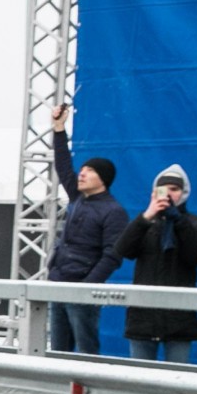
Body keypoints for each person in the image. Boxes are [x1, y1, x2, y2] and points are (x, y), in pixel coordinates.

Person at [46, 104, 130, 354]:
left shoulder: (113, 211)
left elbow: (113, 255)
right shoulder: (77, 197)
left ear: (103, 179)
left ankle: (87, 381)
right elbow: (63, 165)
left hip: (82, 288)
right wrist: (58, 129)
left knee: (86, 350)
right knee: (58, 351)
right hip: (59, 283)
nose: (81, 174)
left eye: (89, 171)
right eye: (81, 170)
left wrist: (87, 286)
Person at [114, 164, 197, 363]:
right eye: (163, 190)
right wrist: (145, 217)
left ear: (184, 193)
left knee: (177, 376)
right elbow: (123, 250)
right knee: (139, 377)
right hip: (142, 316)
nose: (169, 194)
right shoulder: (146, 223)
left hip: (179, 319)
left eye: (174, 189)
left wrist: (179, 222)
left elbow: (195, 257)